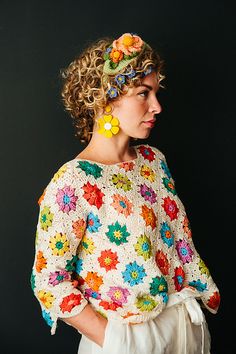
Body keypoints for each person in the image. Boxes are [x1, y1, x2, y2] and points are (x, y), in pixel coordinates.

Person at [30, 33, 220, 354]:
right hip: (129, 336)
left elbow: (179, 241)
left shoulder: (154, 161)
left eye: (156, 93)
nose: (156, 106)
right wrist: (115, 341)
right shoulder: (73, 181)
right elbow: (48, 279)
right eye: (143, 93)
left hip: (185, 325)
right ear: (105, 97)